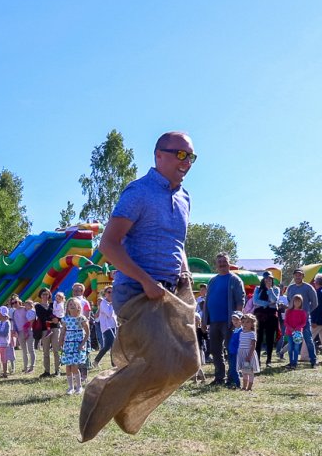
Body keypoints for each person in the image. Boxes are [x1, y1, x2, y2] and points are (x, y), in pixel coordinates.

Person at [98, 132, 195, 309]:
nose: (187, 162)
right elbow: (108, 244)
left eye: (191, 157)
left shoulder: (185, 198)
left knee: (186, 338)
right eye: (181, 154)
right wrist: (146, 281)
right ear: (159, 155)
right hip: (136, 292)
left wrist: (185, 272)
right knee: (159, 338)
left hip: (170, 292)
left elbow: (177, 244)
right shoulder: (139, 191)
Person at [203, 254, 245, 385]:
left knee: (231, 350)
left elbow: (240, 300)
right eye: (219, 262)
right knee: (215, 351)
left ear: (229, 263)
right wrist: (204, 320)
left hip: (229, 322)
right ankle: (219, 377)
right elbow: (207, 301)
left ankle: (232, 377)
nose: (222, 264)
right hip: (214, 322)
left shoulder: (235, 280)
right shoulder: (213, 281)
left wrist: (237, 319)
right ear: (216, 264)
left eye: (224, 261)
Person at [281, 269, 318, 368]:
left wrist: (306, 312)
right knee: (292, 342)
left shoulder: (308, 288)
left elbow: (315, 303)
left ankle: (313, 361)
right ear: (293, 276)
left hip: (303, 319)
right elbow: (289, 301)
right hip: (292, 319)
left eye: (300, 275)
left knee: (308, 340)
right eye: (296, 275)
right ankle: (293, 362)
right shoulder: (291, 288)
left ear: (303, 276)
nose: (298, 277)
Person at [250, 274, 281, 368]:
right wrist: (267, 304)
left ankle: (269, 360)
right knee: (258, 338)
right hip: (259, 315)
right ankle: (257, 359)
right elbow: (255, 301)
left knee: (270, 338)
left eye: (270, 280)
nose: (268, 281)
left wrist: (269, 290)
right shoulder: (258, 289)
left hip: (271, 315)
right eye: (266, 280)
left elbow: (274, 299)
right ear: (263, 280)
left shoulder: (276, 289)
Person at [61, 298, 89, 395]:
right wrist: (60, 343)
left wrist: (82, 344)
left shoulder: (81, 318)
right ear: (67, 308)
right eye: (70, 304)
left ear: (78, 307)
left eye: (74, 304)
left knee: (74, 367)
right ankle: (70, 387)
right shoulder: (65, 319)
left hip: (77, 345)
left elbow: (87, 333)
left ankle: (79, 387)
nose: (72, 305)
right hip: (68, 345)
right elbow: (62, 332)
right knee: (68, 366)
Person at [93, 292, 118, 366]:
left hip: (114, 326)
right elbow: (109, 314)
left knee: (112, 345)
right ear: (105, 294)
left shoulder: (113, 302)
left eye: (112, 291)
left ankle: (113, 363)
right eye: (108, 292)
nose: (110, 293)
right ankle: (96, 361)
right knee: (109, 345)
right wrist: (113, 304)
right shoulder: (103, 303)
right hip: (107, 327)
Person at [284, 295, 309, 368]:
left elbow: (304, 323)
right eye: (295, 301)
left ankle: (295, 363)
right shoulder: (289, 311)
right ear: (293, 302)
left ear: (301, 302)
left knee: (296, 348)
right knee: (290, 347)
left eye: (299, 301)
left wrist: (297, 328)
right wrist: (290, 328)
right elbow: (285, 322)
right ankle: (291, 362)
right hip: (289, 332)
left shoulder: (302, 312)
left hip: (297, 333)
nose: (297, 302)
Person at [237, 313, 259, 391]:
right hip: (241, 353)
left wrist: (249, 356)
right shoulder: (241, 333)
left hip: (249, 354)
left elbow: (253, 345)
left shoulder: (252, 334)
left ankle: (249, 387)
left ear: (252, 324)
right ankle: (244, 386)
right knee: (244, 372)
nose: (245, 324)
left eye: (247, 322)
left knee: (250, 372)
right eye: (243, 322)